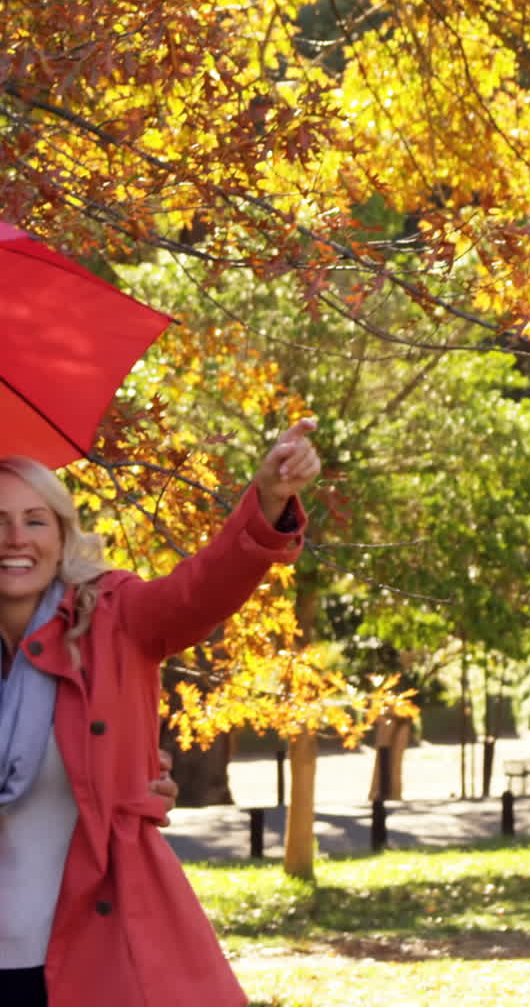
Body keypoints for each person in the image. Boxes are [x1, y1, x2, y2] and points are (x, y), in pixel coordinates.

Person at [0, 418, 321, 1007]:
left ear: (63, 534)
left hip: (90, 953)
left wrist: (268, 501)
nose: (15, 538)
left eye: (34, 520)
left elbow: (201, 590)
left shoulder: (113, 616)